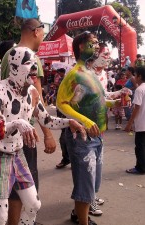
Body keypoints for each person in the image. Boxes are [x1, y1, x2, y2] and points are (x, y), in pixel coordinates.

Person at [0, 46, 86, 225]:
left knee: (33, 204)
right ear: (13, 68)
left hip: (18, 154)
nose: (35, 67)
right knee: (1, 216)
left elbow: (46, 120)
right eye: (28, 63)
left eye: (35, 63)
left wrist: (69, 122)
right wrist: (17, 123)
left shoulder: (32, 93)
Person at [0, 19, 57, 225]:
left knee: (12, 187)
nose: (43, 38)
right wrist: (47, 133)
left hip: (6, 134)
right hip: (22, 133)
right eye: (43, 34)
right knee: (25, 186)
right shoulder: (30, 58)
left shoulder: (8, 56)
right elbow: (37, 98)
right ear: (36, 32)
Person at [56, 31, 119, 225]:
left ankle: (77, 213)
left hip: (97, 137)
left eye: (97, 42)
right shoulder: (75, 74)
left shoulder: (90, 73)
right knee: (85, 183)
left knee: (93, 181)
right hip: (82, 138)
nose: (97, 46)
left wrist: (111, 104)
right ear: (81, 47)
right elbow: (61, 103)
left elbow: (92, 101)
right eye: (93, 43)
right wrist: (85, 121)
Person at [125, 66, 145, 174]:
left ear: (140, 76)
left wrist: (129, 123)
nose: (134, 77)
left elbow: (136, 107)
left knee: (140, 147)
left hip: (141, 123)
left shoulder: (139, 89)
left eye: (136, 75)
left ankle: (140, 167)